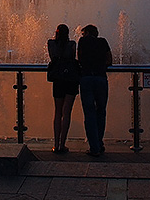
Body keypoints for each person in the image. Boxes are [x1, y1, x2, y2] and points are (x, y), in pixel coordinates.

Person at [77, 24, 112, 157]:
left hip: (86, 78)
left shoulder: (83, 42)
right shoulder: (103, 41)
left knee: (89, 113)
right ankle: (99, 142)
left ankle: (94, 147)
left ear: (86, 33)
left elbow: (79, 58)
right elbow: (109, 59)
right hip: (101, 78)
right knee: (101, 111)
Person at [47, 24, 80, 154]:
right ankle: (62, 144)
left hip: (58, 80)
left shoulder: (51, 43)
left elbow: (52, 57)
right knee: (67, 113)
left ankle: (55, 144)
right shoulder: (72, 44)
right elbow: (72, 58)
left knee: (57, 112)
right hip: (70, 79)